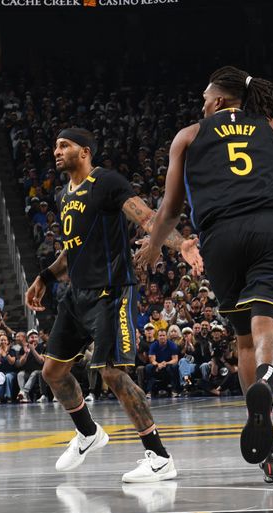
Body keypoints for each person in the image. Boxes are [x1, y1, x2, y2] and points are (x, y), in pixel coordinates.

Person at [135, 66, 273, 482]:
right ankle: (267, 385)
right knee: (268, 327)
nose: (201, 103)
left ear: (218, 101)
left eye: (204, 96)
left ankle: (268, 450)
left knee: (243, 339)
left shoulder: (189, 136)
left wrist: (154, 246)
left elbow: (171, 207)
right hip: (271, 228)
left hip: (219, 239)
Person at [24, 127, 202, 483]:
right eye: (55, 145)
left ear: (85, 151)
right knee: (52, 372)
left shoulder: (106, 181)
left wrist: (179, 243)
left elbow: (147, 217)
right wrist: (44, 276)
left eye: (65, 145)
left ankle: (159, 457)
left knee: (111, 372)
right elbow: (71, 249)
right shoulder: (63, 194)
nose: (56, 151)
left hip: (111, 291)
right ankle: (89, 433)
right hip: (77, 295)